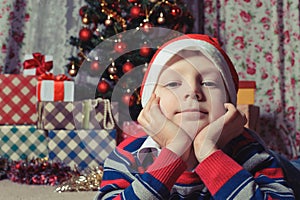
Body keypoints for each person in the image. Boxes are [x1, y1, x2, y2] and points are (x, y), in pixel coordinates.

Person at [95, 34, 297, 199]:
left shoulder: (250, 152)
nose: (193, 91)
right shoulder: (129, 155)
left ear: (229, 103)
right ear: (150, 103)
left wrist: (209, 152)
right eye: (173, 84)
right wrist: (175, 150)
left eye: (209, 83)